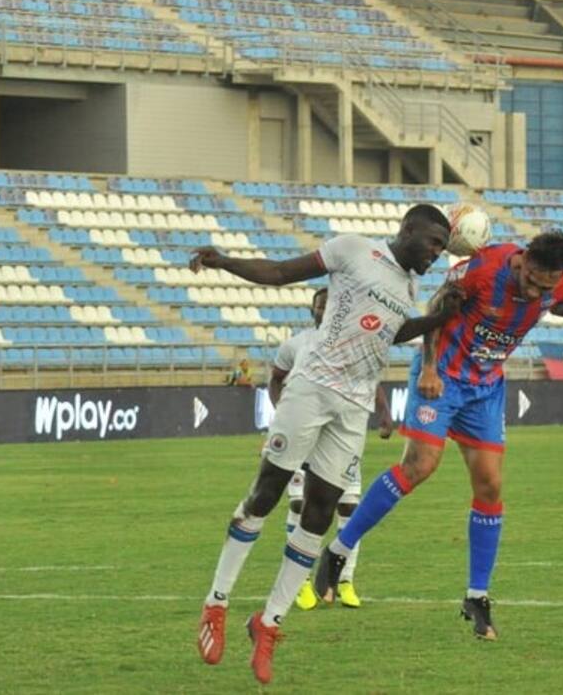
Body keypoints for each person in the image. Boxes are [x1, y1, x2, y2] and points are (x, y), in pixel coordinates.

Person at [313, 230, 563, 640]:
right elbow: (437, 307)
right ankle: (338, 551)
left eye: (544, 285)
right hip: (443, 377)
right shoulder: (483, 268)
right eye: (530, 280)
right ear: (523, 259)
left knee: (490, 485)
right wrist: (432, 367)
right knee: (420, 466)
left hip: (486, 387)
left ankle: (477, 596)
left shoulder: (553, 282)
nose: (534, 290)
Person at [193, 204, 459, 685]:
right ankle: (216, 602)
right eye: (434, 243)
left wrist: (438, 317)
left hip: (354, 407)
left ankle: (268, 622)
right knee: (267, 493)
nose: (438, 254)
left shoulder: (410, 287)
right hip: (312, 387)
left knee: (319, 514)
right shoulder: (353, 250)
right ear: (408, 230)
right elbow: (279, 272)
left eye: (444, 248)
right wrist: (226, 261)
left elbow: (392, 334)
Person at [265, 287, 392, 611]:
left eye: (329, 305)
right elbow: (276, 379)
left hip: (340, 439)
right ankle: (301, 582)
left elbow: (371, 382)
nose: (324, 310)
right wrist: (285, 415)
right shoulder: (297, 345)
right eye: (319, 306)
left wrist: (384, 413)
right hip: (304, 438)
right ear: (313, 311)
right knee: (299, 506)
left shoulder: (356, 344)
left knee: (349, 508)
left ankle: (344, 580)